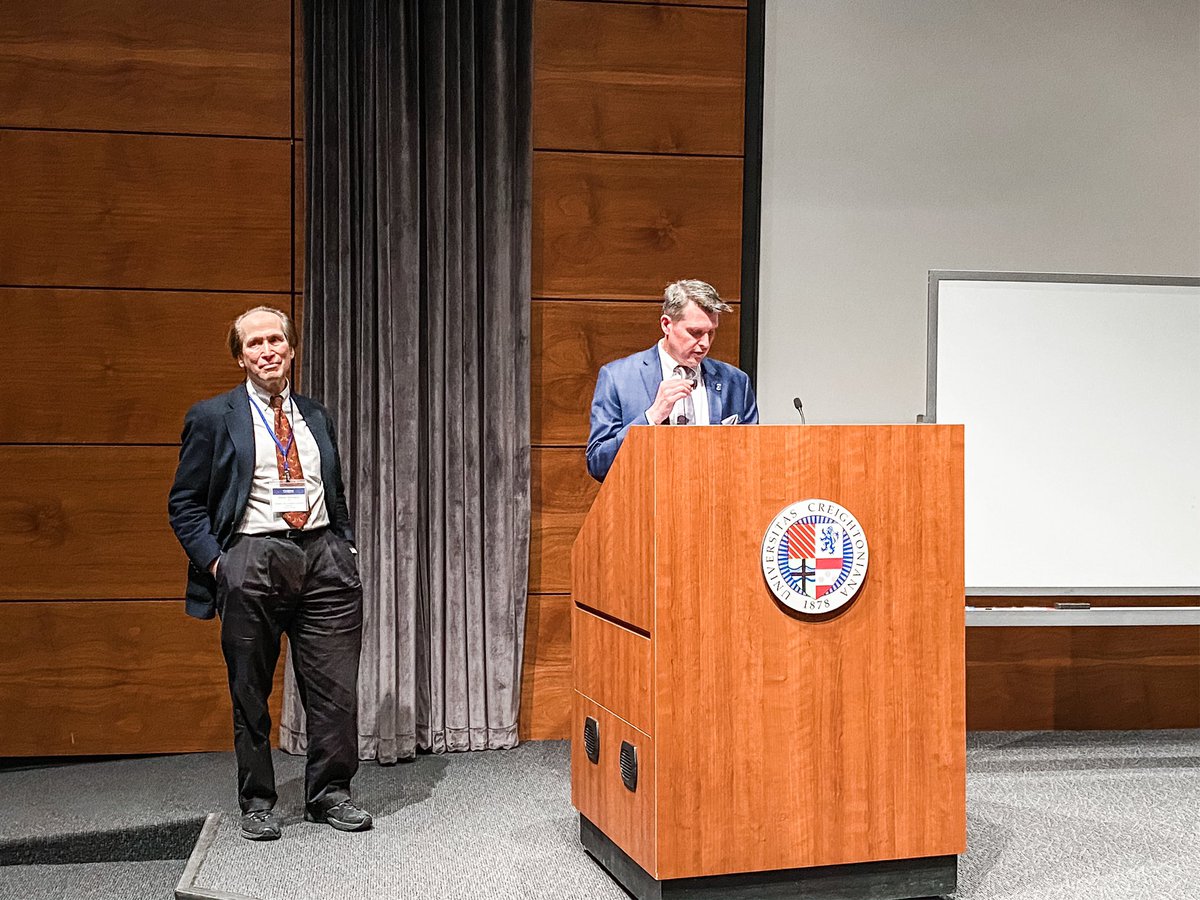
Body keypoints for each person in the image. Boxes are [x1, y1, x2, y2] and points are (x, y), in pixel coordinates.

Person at [167, 306, 372, 841]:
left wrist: (344, 547)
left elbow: (334, 490)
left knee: (334, 691)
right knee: (251, 691)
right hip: (253, 559)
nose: (267, 350)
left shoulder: (315, 415)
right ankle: (258, 801)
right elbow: (184, 503)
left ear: (292, 348)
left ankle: (331, 793)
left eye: (276, 340)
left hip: (323, 556)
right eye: (255, 343)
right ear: (241, 356)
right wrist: (219, 562)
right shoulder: (213, 417)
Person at [586, 279, 758, 481]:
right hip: (647, 505)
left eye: (711, 333)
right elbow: (598, 464)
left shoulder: (736, 382)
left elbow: (752, 460)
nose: (704, 344)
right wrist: (652, 417)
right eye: (695, 333)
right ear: (666, 325)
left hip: (716, 505)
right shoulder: (618, 378)